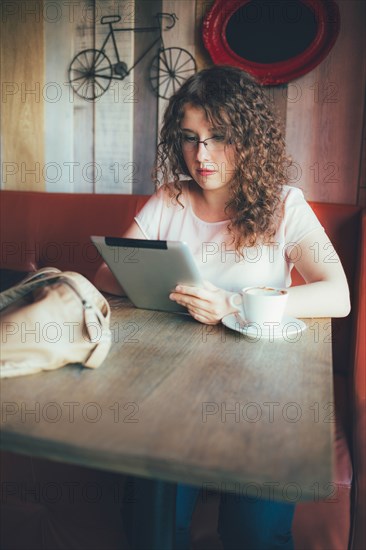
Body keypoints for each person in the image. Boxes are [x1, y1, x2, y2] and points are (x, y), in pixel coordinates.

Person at [95, 66, 350, 549]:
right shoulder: (170, 199)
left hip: (264, 389)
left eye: (218, 137)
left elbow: (337, 294)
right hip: (175, 382)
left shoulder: (283, 205)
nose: (202, 155)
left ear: (249, 139)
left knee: (253, 535)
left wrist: (231, 303)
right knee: (151, 524)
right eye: (190, 138)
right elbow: (106, 275)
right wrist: (164, 285)